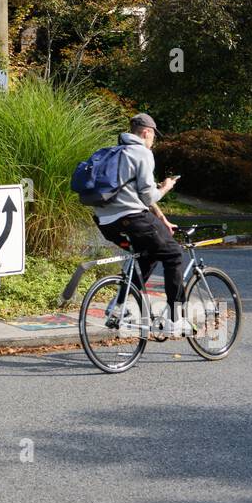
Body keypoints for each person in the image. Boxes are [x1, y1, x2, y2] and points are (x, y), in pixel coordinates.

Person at [94, 112, 189, 337]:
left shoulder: (116, 152)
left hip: (106, 222)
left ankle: (118, 307)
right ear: (147, 132)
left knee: (148, 254)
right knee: (174, 254)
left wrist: (162, 219)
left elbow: (134, 192)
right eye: (154, 136)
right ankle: (176, 319)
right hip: (131, 219)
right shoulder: (142, 153)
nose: (153, 140)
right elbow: (148, 197)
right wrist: (166, 186)